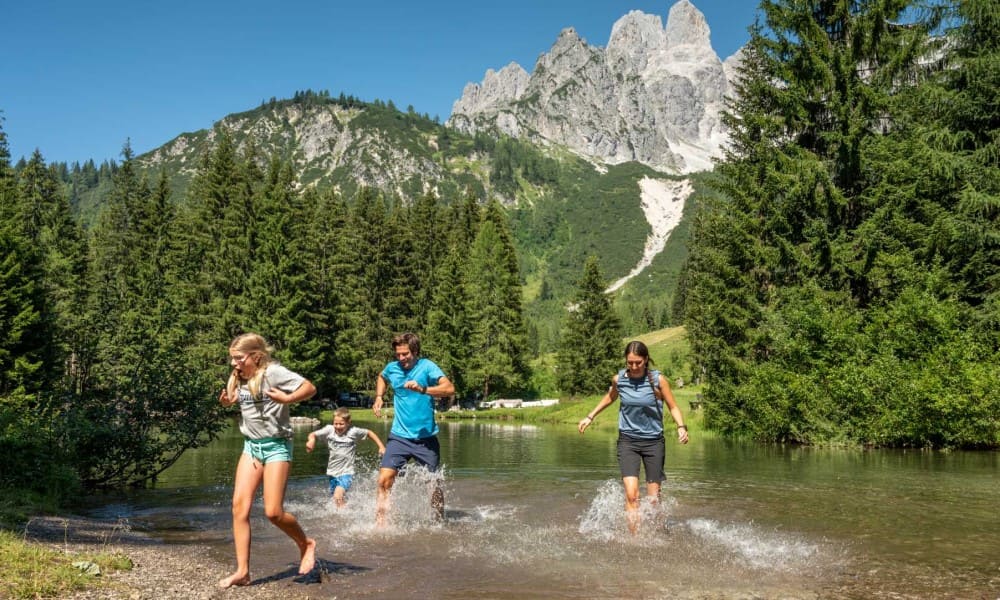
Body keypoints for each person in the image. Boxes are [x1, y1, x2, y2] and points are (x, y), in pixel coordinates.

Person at [217, 333, 318, 589]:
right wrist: (229, 402)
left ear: (256, 356)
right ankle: (242, 571)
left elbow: (309, 388)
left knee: (273, 512)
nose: (234, 363)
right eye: (232, 358)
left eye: (239, 358)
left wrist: (288, 398)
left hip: (277, 446)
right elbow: (246, 402)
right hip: (251, 447)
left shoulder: (274, 373)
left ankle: (306, 544)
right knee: (239, 508)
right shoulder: (240, 377)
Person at [577, 340, 689, 534]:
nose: (634, 366)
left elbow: (673, 406)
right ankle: (634, 539)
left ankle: (657, 533)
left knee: (653, 500)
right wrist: (590, 416)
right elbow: (610, 397)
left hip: (654, 442)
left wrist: (681, 426)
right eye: (630, 362)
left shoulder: (658, 380)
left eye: (638, 362)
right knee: (631, 495)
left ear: (646, 359)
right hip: (628, 442)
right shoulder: (619, 379)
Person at [372, 332, 454, 525]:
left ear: (415, 351)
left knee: (433, 486)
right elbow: (382, 377)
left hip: (426, 439)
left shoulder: (427, 366)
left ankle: (439, 522)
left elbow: (449, 389)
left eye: (405, 354)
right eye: (398, 354)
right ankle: (381, 526)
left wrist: (424, 389)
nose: (401, 358)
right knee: (384, 480)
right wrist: (379, 396)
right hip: (399, 437)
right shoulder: (392, 368)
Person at [306, 407, 386, 507]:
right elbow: (312, 434)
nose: (338, 426)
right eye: (335, 423)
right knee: (337, 500)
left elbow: (370, 433)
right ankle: (347, 512)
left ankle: (344, 514)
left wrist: (381, 447)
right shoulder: (329, 430)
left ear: (348, 423)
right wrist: (311, 440)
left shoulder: (353, 431)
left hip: (347, 472)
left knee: (337, 496)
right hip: (332, 472)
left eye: (341, 424)